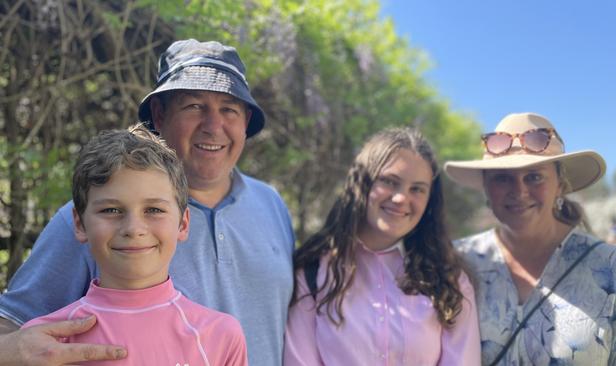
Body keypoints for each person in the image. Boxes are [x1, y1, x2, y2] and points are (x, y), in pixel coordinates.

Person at [0, 39, 294, 366]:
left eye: (229, 109)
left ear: (245, 121)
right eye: (194, 106)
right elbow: (11, 323)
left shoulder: (271, 204)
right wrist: (13, 352)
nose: (213, 126)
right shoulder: (96, 216)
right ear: (159, 114)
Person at [22, 124, 247, 365]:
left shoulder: (219, 335)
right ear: (79, 224)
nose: (133, 229)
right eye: (111, 210)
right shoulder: (45, 343)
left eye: (153, 210)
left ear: (182, 224)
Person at [444, 112, 616, 365]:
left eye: (534, 176)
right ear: (486, 188)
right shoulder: (457, 263)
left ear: (560, 185)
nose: (519, 191)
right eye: (502, 178)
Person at [284, 128, 480, 365]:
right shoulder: (312, 272)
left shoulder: (451, 282)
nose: (400, 198)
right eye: (389, 181)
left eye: (417, 189)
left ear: (429, 200)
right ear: (363, 183)